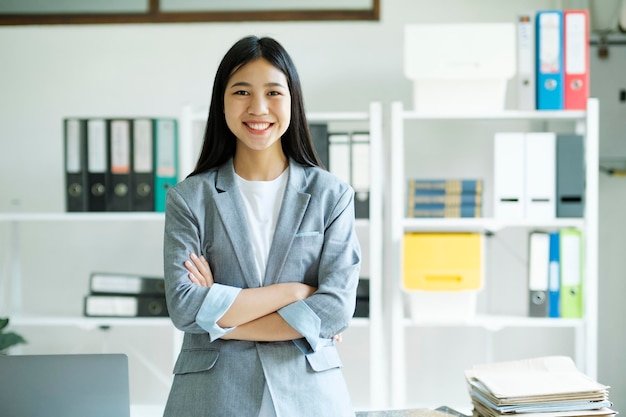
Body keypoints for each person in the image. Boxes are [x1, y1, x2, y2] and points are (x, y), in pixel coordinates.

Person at [162, 35, 361, 417]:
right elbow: (186, 308)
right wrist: (296, 291)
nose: (258, 108)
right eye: (241, 92)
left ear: (293, 101)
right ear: (222, 101)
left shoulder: (331, 195)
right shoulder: (188, 198)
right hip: (212, 395)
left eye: (273, 92)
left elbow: (335, 309)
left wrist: (222, 321)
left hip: (309, 395)